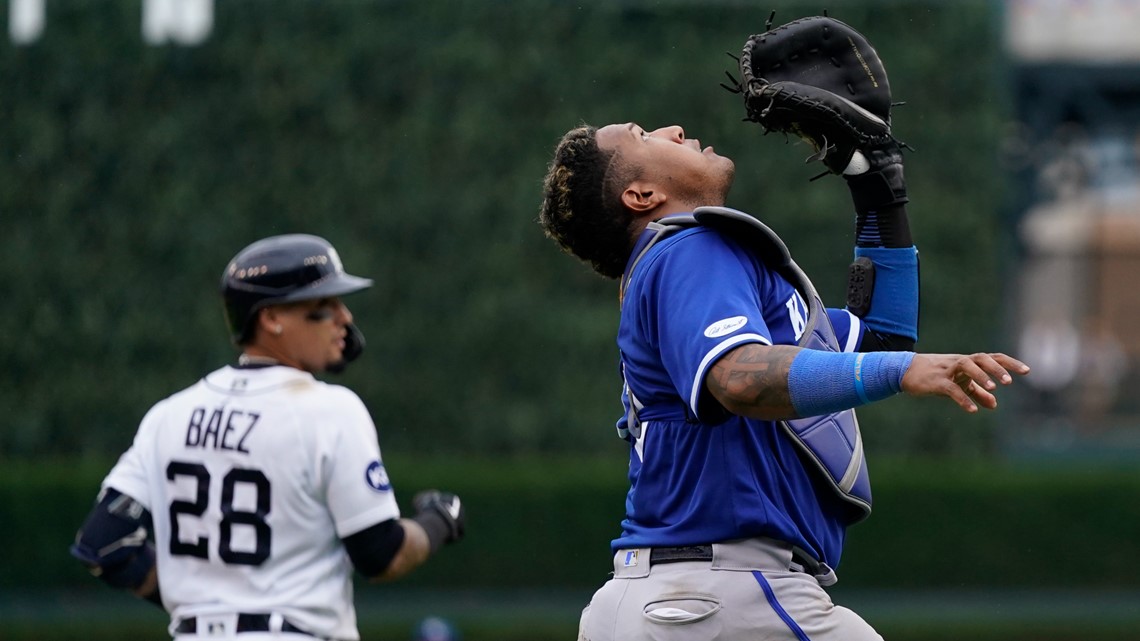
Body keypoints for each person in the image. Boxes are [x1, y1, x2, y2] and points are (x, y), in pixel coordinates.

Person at [538, 122, 1030, 641]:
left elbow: (882, 341)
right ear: (642, 196)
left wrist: (877, 189)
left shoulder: (687, 272)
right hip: (721, 599)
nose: (674, 129)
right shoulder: (690, 248)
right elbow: (740, 380)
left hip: (669, 598)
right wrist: (902, 373)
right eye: (643, 134)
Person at [69, 234, 465, 641]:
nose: (344, 317)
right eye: (324, 306)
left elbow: (104, 545)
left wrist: (205, 601)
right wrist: (439, 522)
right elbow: (383, 555)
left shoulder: (168, 415)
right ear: (272, 317)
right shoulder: (329, 410)